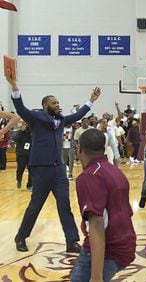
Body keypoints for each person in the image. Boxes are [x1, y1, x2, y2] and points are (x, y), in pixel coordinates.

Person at [6, 73, 100, 253]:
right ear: (45, 105)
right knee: (35, 206)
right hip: (40, 169)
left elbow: (78, 114)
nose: (58, 105)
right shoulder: (35, 117)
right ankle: (21, 237)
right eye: (54, 102)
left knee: (64, 205)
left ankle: (71, 241)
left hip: (59, 171)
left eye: (58, 102)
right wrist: (14, 86)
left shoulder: (62, 120)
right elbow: (20, 108)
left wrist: (91, 101)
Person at [70, 129, 136, 281]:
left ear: (79, 149)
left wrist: (96, 276)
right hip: (125, 243)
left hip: (109, 249)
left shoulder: (89, 176)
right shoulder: (114, 170)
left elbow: (97, 225)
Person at [13, 120, 32, 190]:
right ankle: (19, 180)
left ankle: (30, 185)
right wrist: (21, 130)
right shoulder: (19, 133)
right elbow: (15, 138)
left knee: (31, 171)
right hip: (21, 155)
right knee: (20, 169)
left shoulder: (32, 132)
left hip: (31, 154)